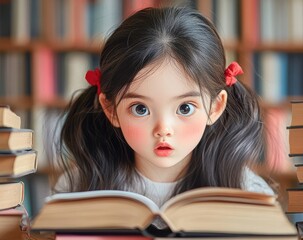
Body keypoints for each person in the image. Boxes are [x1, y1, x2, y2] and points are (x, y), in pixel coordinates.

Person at [54, 6, 275, 228]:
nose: (163, 129)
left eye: (185, 108)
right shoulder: (77, 188)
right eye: (140, 109)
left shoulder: (247, 193)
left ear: (215, 107)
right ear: (111, 109)